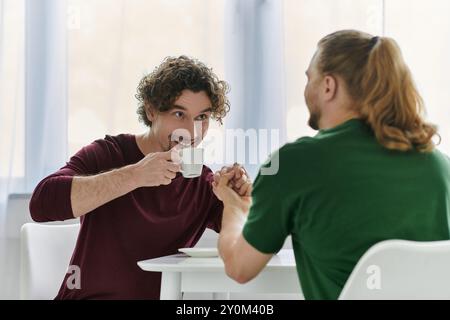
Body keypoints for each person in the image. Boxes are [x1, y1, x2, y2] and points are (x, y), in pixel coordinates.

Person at [213, 30, 450, 300]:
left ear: (328, 86)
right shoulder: (438, 166)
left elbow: (239, 267)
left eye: (308, 78)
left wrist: (234, 206)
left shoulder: (293, 163)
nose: (305, 88)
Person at [29, 56, 251, 300]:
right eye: (179, 114)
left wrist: (239, 201)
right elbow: (42, 204)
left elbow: (253, 245)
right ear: (151, 111)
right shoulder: (108, 153)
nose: (191, 131)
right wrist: (136, 175)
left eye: (202, 117)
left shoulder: (202, 182)